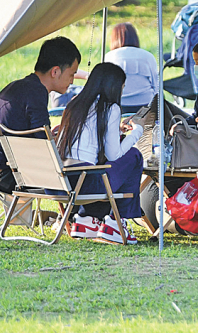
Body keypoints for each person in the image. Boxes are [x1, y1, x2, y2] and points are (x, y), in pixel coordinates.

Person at [56, 62, 155, 244]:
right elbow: (114, 155)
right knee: (133, 156)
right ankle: (117, 223)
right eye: (122, 88)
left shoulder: (74, 105)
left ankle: (86, 219)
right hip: (87, 184)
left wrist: (116, 132)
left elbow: (87, 142)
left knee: (107, 166)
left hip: (62, 183)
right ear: (114, 87)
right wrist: (136, 133)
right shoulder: (110, 108)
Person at [0, 36, 80, 173]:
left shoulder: (21, 86)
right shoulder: (37, 92)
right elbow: (45, 145)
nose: (72, 81)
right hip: (11, 174)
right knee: (81, 173)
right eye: (72, 74)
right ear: (55, 71)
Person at [103, 23, 159, 110]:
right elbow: (156, 85)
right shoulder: (148, 56)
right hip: (145, 103)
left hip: (118, 103)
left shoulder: (109, 57)